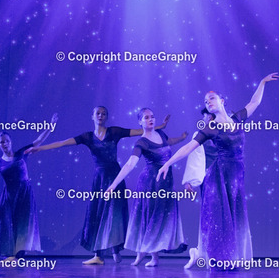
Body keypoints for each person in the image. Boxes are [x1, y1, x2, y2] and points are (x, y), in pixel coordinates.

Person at [157, 73, 279, 269]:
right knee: (219, 218)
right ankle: (217, 257)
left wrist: (262, 82)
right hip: (218, 176)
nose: (208, 102)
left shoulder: (237, 118)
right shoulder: (210, 128)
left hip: (236, 176)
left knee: (234, 217)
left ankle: (224, 256)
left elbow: (254, 102)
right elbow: (188, 148)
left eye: (211, 98)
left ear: (222, 100)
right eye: (206, 101)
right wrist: (167, 163)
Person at [25, 106, 170, 265]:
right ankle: (98, 255)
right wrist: (40, 148)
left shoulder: (114, 132)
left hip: (115, 176)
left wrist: (160, 126)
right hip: (99, 180)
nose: (101, 116)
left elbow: (140, 131)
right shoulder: (87, 137)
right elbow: (62, 143)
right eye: (98, 113)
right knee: (98, 214)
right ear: (92, 116)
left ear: (106, 117)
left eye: (104, 114)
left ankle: (115, 249)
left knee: (114, 214)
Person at [0, 113, 58, 260]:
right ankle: (9, 253)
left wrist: (51, 125)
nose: (5, 144)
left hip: (24, 194)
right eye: (2, 142)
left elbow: (38, 141)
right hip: (9, 196)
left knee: (22, 223)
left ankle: (18, 253)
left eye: (7, 141)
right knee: (6, 223)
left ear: (10, 142)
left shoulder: (21, 153)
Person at [106, 108, 188, 267]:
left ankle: (150, 254)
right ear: (140, 122)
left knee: (161, 217)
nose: (150, 119)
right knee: (149, 217)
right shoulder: (141, 142)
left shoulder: (161, 134)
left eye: (152, 116)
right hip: (150, 184)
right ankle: (145, 254)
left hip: (166, 183)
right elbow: (130, 164)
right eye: (146, 117)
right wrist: (114, 184)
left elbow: (170, 142)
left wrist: (182, 138)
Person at [180, 108, 216, 269]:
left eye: (208, 116)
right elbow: (193, 156)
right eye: (205, 117)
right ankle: (203, 252)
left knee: (222, 215)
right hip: (208, 178)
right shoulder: (201, 135)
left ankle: (211, 253)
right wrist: (189, 181)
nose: (207, 119)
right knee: (209, 213)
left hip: (224, 177)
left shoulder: (225, 132)